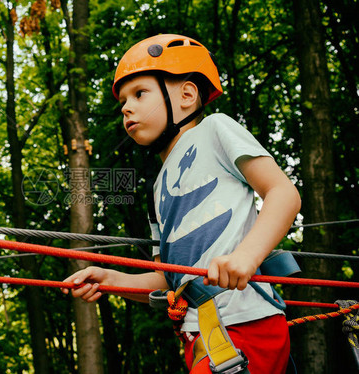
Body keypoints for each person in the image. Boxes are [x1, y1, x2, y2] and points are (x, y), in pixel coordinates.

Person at [61, 34, 301, 374]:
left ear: (187, 95)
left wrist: (247, 256)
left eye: (139, 94)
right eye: (123, 102)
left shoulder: (215, 130)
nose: (126, 107)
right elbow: (167, 280)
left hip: (246, 325)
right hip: (200, 338)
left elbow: (283, 193)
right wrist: (110, 278)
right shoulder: (157, 188)